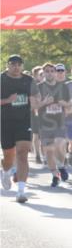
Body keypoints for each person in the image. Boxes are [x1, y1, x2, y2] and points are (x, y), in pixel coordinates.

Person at [1, 54, 39, 203]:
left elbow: (36, 100)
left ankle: (21, 191)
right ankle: (5, 171)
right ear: (8, 65)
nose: (16, 67)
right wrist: (8, 100)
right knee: (9, 157)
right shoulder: (1, 79)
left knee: (22, 154)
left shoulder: (29, 80)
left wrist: (35, 103)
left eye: (18, 64)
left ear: (22, 66)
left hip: (24, 122)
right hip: (5, 122)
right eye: (13, 64)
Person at [36, 63, 71, 187]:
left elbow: (70, 104)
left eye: (52, 71)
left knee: (59, 144)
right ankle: (55, 175)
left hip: (59, 122)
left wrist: (63, 104)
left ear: (55, 73)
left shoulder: (63, 87)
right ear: (43, 73)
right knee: (49, 152)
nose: (50, 73)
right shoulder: (38, 87)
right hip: (44, 124)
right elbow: (34, 106)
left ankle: (61, 167)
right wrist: (44, 102)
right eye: (47, 71)